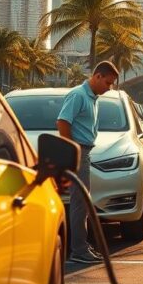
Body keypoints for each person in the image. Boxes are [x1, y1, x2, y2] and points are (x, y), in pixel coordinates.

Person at [56, 60, 120, 264]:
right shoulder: (78, 95)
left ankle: (81, 247)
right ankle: (79, 250)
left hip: (85, 153)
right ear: (97, 76)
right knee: (80, 203)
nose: (109, 88)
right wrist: (71, 152)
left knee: (82, 203)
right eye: (107, 83)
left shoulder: (92, 98)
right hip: (78, 153)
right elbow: (63, 122)